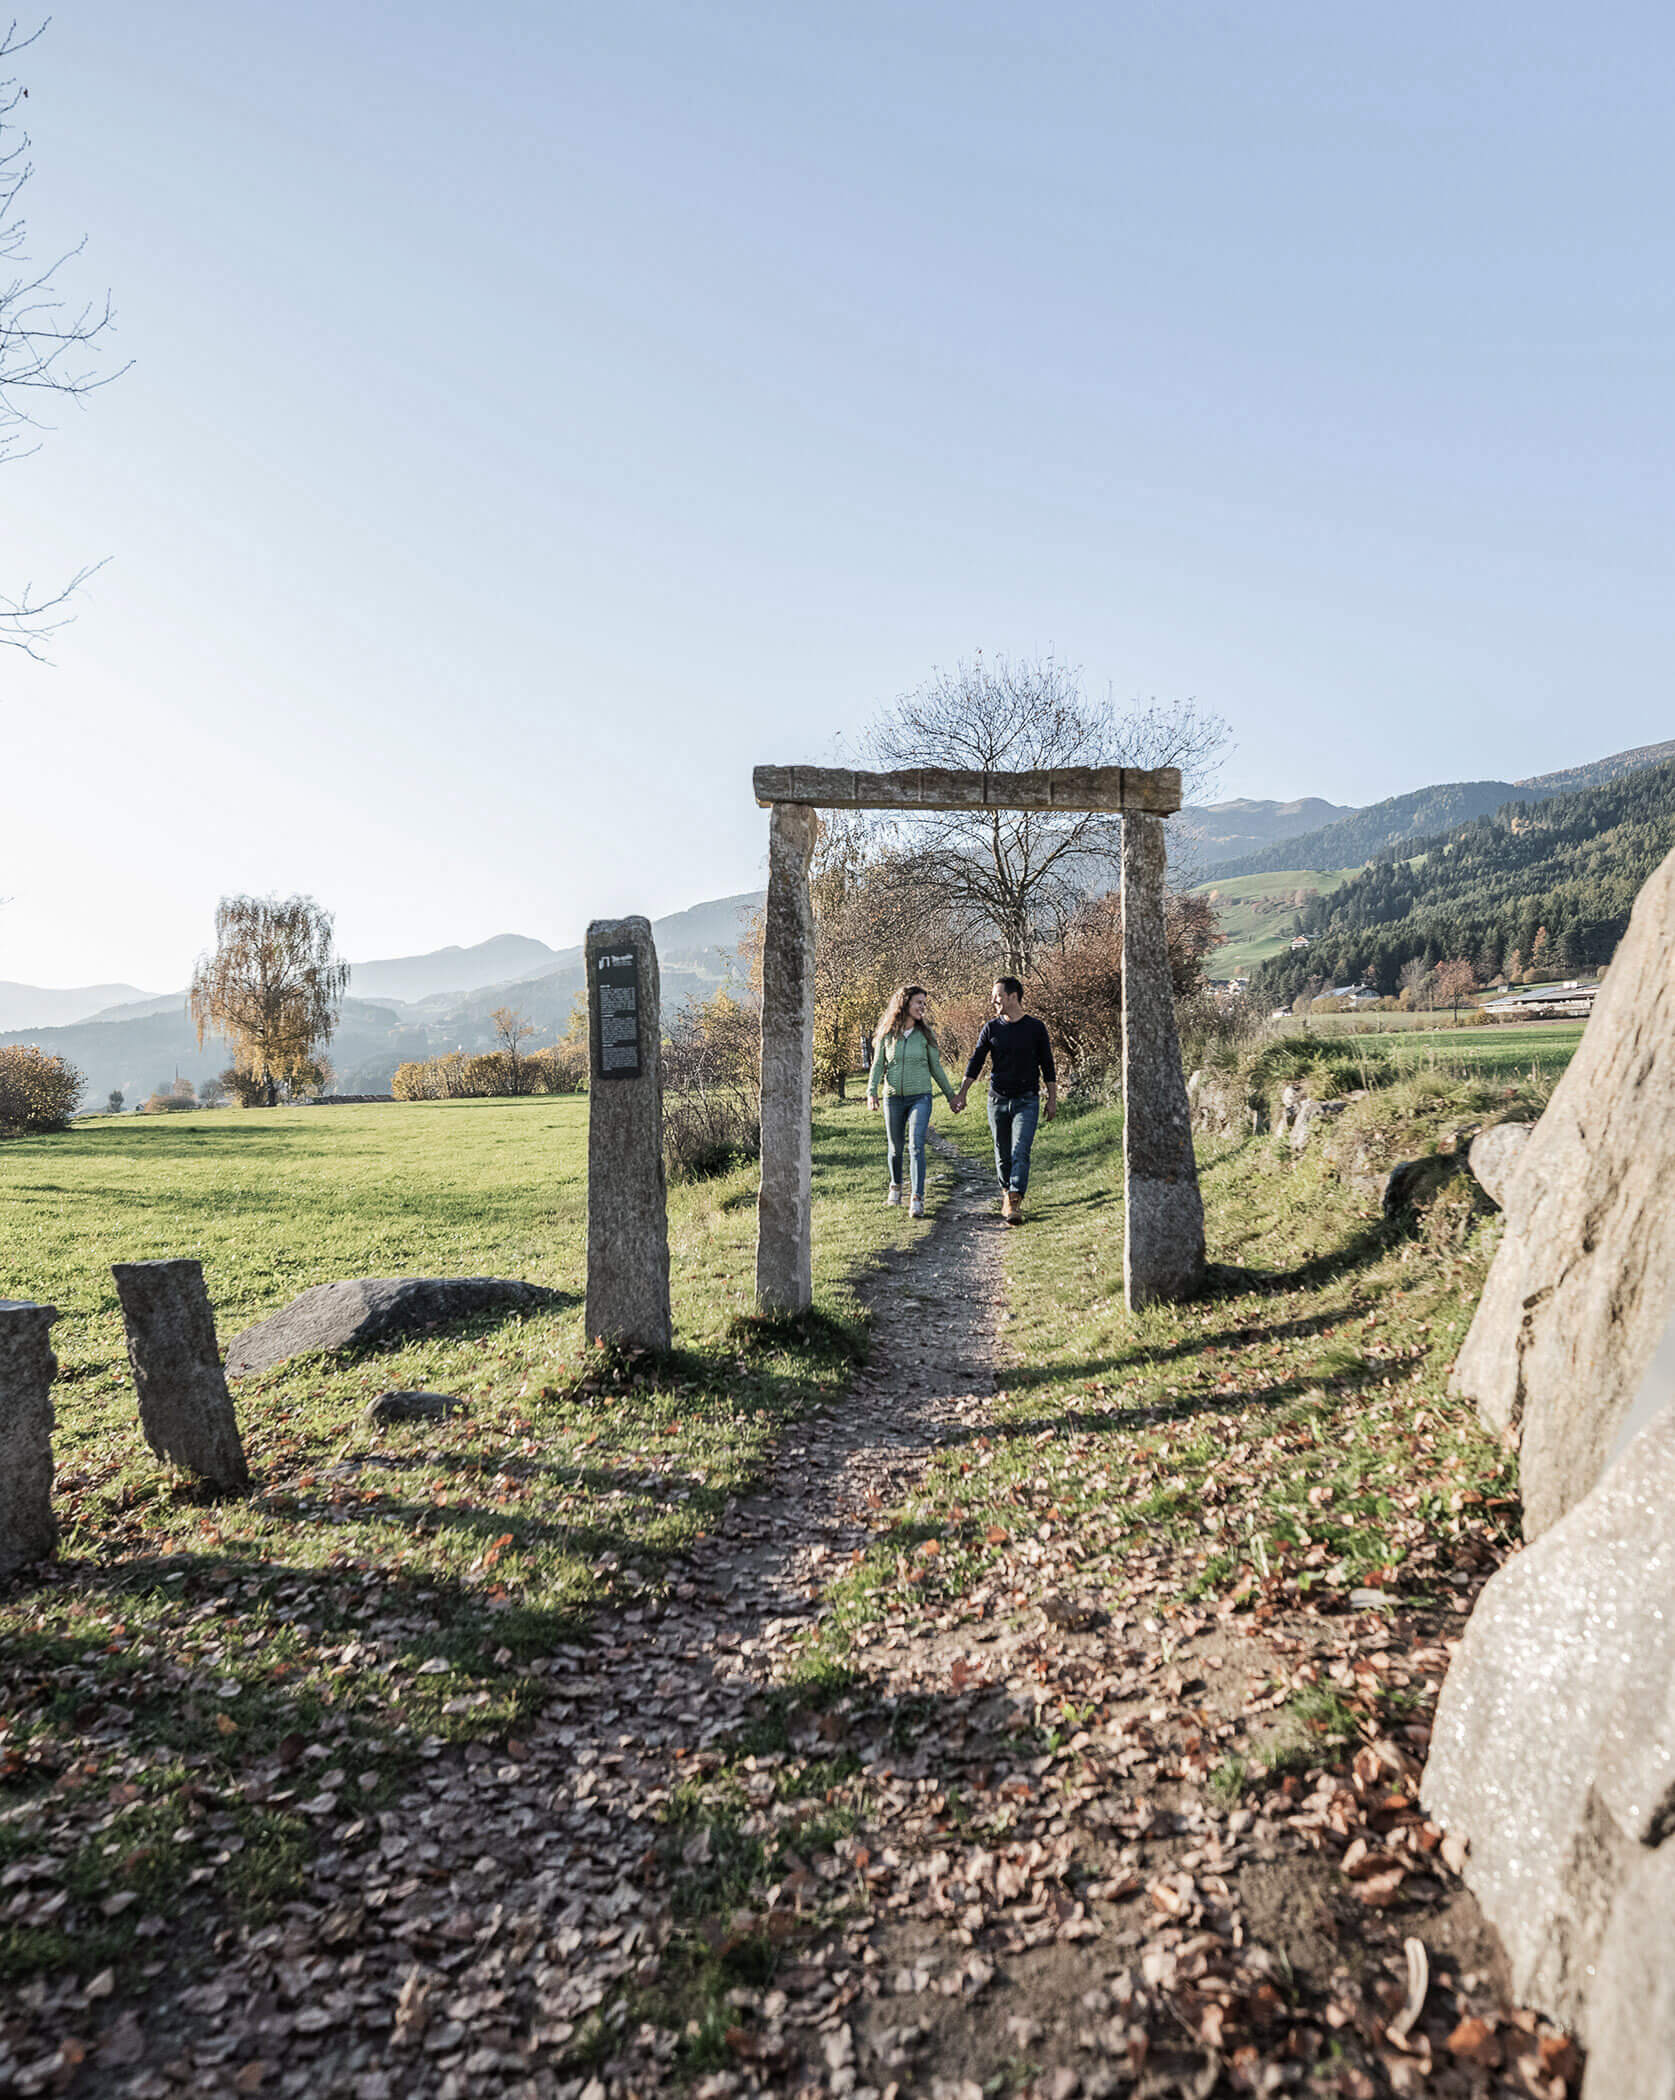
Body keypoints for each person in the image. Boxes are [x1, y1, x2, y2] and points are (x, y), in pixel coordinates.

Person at [952, 976, 1057, 1223]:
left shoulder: (1035, 1028)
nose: (993, 1001)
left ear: (1012, 996)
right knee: (1002, 1153)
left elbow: (1048, 1066)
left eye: (997, 996)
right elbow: (976, 1062)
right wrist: (962, 1092)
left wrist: (1052, 1099)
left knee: (1020, 1150)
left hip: (1027, 1100)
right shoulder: (991, 1028)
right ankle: (1006, 1192)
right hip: (997, 1101)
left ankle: (1014, 1199)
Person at [865, 984, 962, 1216]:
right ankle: (895, 1186)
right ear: (905, 1003)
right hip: (893, 1098)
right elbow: (878, 1065)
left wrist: (951, 1096)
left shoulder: (925, 1036)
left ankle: (917, 1197)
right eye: (919, 1002)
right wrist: (872, 1092)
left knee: (916, 1145)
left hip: (920, 1096)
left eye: (924, 1003)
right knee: (896, 1148)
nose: (922, 1008)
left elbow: (936, 1068)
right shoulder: (888, 1035)